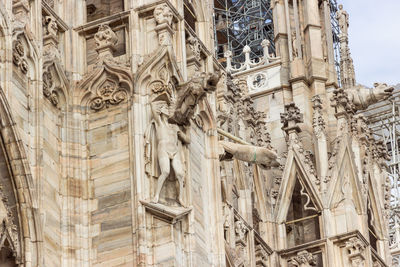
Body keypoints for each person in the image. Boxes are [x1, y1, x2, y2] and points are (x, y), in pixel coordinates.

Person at [150, 100, 190, 206]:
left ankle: (180, 198)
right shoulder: (159, 123)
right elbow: (153, 106)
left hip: (175, 150)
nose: (167, 110)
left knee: (180, 175)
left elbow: (187, 140)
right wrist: (165, 100)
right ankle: (156, 195)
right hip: (163, 149)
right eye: (165, 108)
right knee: (165, 172)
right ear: (161, 111)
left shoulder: (174, 127)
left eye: (168, 108)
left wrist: (188, 128)